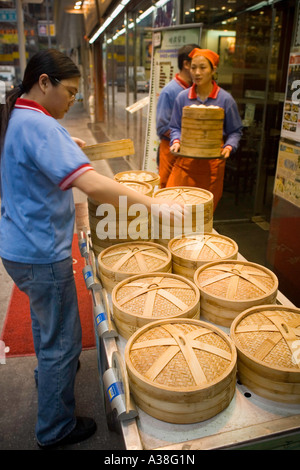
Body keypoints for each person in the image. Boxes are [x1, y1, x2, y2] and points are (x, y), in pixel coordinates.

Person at [0, 49, 181, 449]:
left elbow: (40, 154)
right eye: (70, 92)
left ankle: (47, 377)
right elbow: (94, 185)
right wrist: (153, 206)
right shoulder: (41, 128)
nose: (72, 101)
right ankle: (55, 428)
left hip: (18, 245)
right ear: (44, 82)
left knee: (49, 329)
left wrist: (66, 141)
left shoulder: (24, 117)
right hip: (41, 253)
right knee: (62, 343)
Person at [169, 48, 243, 210]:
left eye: (202, 68)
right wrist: (175, 141)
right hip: (186, 163)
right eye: (193, 67)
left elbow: (235, 131)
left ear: (213, 70)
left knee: (202, 212)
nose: (197, 72)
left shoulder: (225, 99)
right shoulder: (183, 98)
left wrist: (229, 147)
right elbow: (175, 126)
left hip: (212, 163)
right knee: (175, 207)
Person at [156, 44, 200, 188]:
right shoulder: (170, 91)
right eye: (196, 64)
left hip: (191, 154)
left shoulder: (198, 90)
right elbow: (162, 127)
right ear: (186, 64)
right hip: (171, 152)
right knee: (168, 190)